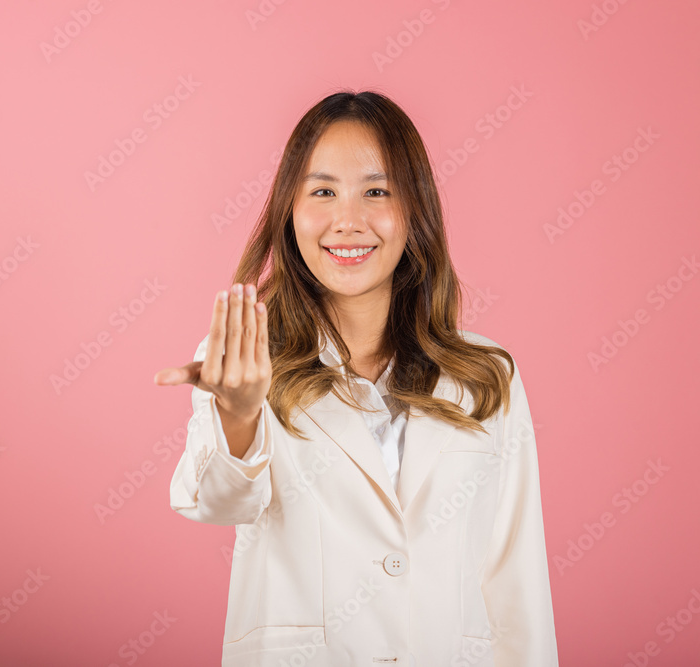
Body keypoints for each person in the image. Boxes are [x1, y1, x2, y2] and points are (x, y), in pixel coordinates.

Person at [153, 90, 559, 666]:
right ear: (289, 212)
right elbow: (220, 501)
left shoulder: (486, 377)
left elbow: (516, 577)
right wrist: (241, 413)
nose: (348, 220)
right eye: (322, 191)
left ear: (415, 208)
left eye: (376, 191)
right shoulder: (247, 365)